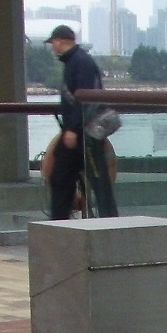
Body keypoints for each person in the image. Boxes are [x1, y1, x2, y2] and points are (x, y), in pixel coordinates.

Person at [45, 25, 116, 219]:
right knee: (65, 178)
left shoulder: (80, 62)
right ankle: (60, 222)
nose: (53, 48)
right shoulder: (76, 62)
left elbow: (86, 99)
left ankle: (61, 223)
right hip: (80, 131)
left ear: (60, 41)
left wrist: (73, 129)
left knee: (92, 179)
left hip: (84, 132)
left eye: (54, 43)